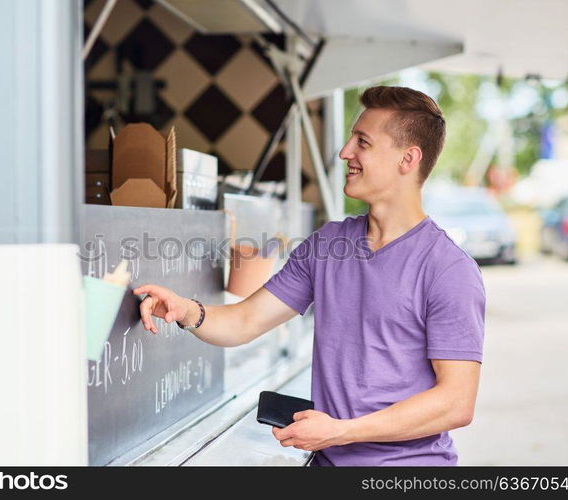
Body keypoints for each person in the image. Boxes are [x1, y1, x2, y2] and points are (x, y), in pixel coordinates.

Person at [133, 86, 486, 466]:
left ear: (408, 158)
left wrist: (340, 431)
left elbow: (455, 403)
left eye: (362, 142)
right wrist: (184, 309)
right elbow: (245, 320)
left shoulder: (448, 270)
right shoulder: (328, 245)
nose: (344, 152)